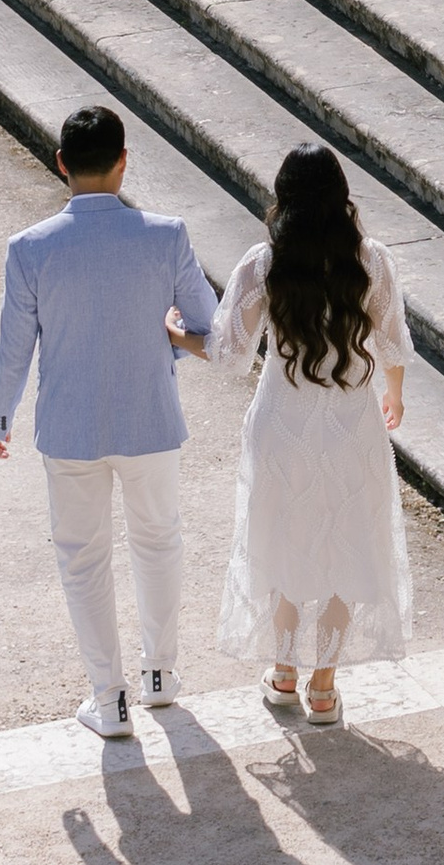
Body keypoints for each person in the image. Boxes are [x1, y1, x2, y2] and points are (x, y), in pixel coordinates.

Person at [0, 103, 218, 740]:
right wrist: (168, 342)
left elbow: (15, 344)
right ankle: (162, 675)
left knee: (83, 557)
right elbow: (207, 322)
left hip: (71, 425)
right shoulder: (166, 234)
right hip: (150, 417)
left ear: (61, 165)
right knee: (158, 540)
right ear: (123, 162)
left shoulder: (29, 248)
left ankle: (108, 696)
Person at [177, 143, 412, 725]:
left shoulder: (263, 263)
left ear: (282, 199)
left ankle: (283, 673)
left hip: (282, 423)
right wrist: (394, 394)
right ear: (342, 198)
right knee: (345, 546)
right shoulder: (373, 260)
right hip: (351, 422)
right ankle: (325, 689)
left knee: (285, 542)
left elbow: (228, 353)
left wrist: (179, 334)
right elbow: (392, 341)